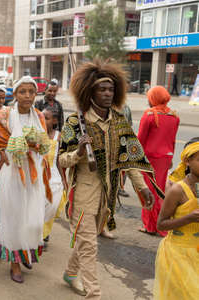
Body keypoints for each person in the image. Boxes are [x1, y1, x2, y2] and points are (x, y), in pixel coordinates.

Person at [59, 60, 157, 299]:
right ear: (90, 91)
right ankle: (94, 294)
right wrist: (79, 153)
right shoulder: (75, 122)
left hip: (107, 195)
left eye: (110, 89)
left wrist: (142, 187)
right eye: (101, 89)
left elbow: (130, 158)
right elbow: (61, 160)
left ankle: (70, 273)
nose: (106, 93)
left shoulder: (119, 121)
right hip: (83, 193)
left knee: (87, 241)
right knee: (90, 245)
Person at [0, 76, 52, 283]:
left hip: (33, 171)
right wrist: (1, 151)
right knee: (15, 217)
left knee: (33, 218)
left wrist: (36, 147)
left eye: (31, 92)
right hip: (12, 172)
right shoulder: (5, 115)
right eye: (22, 92)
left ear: (36, 94)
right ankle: (15, 262)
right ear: (14, 95)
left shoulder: (40, 117)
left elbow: (45, 143)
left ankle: (25, 252)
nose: (27, 96)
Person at [153, 137, 199, 300]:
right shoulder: (178, 190)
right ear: (187, 161)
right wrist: (189, 218)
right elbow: (161, 224)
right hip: (178, 254)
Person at [137, 86, 179, 236]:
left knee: (148, 191)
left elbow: (140, 140)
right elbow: (172, 141)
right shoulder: (174, 116)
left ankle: (150, 226)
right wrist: (171, 157)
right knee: (159, 190)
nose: (148, 100)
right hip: (165, 157)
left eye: (149, 97)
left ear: (153, 98)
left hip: (149, 159)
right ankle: (160, 224)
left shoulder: (149, 115)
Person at [42, 108, 67, 250]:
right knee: (38, 207)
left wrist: (63, 179)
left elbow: (58, 160)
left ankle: (45, 234)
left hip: (53, 176)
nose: (43, 120)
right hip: (38, 175)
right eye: (41, 117)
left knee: (51, 205)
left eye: (46, 118)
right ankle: (38, 236)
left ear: (54, 121)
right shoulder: (36, 135)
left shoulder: (58, 136)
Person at [117, 104, 133, 198]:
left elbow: (129, 125)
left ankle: (120, 188)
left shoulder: (126, 107)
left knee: (124, 167)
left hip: (124, 141)